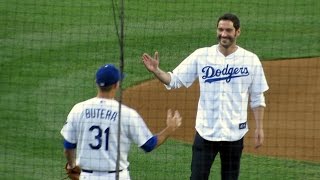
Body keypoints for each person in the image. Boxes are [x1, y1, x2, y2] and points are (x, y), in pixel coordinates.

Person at [141, 13, 269, 180]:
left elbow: (257, 97)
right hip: (206, 133)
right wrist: (157, 71)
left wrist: (259, 127)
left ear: (238, 32)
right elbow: (174, 80)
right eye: (220, 29)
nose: (223, 34)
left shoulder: (250, 60)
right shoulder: (202, 56)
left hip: (234, 135)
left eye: (228, 30)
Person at [60, 64, 182, 180]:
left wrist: (72, 164)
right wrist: (169, 129)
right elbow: (149, 145)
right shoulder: (127, 114)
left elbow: (68, 146)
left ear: (97, 83)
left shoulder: (78, 109)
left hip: (88, 176)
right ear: (116, 85)